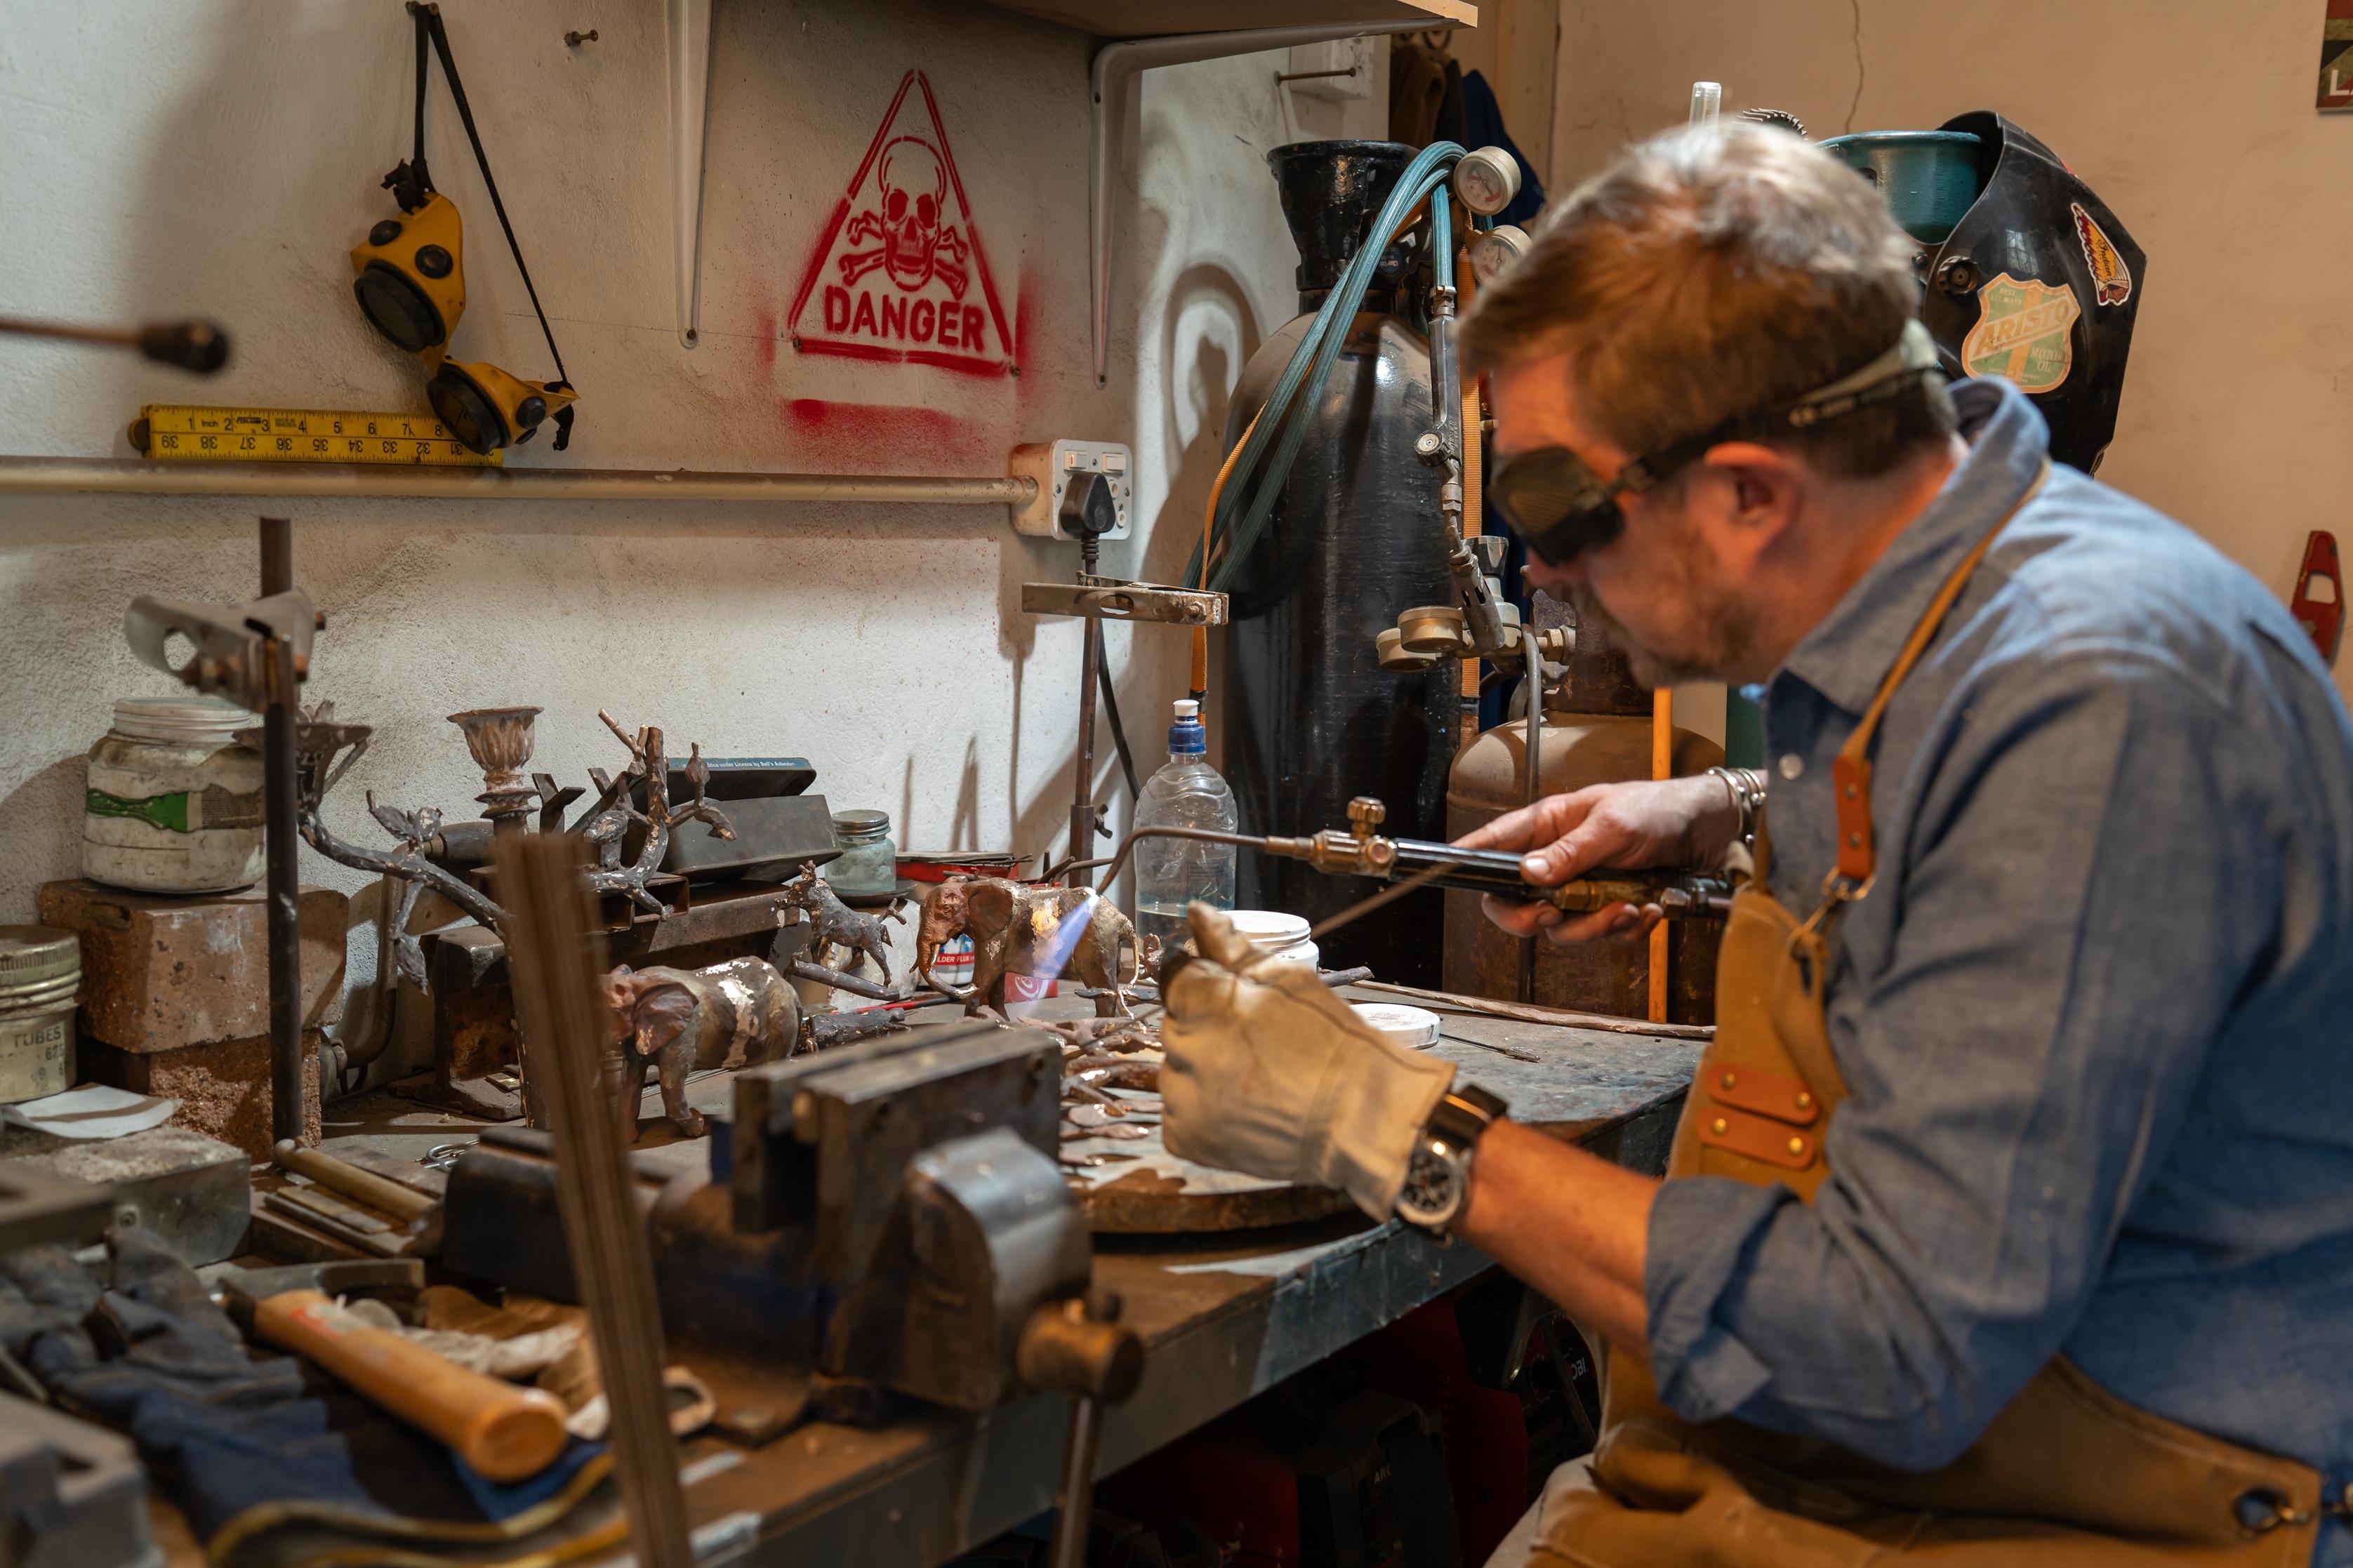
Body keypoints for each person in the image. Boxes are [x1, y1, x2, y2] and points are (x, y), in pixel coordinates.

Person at [1158, 121, 2353, 1565]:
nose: (1539, 570)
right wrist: (1720, 810)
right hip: (1862, 1463)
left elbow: (1892, 1349)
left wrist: (1397, 1126)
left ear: (1747, 492)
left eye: (1555, 506)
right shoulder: (1940, 588)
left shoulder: (2088, 701)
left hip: (2074, 1510)